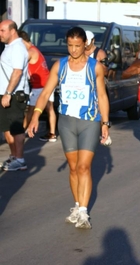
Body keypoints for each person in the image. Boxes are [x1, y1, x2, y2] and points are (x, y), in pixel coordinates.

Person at [27, 27, 110, 229]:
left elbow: (101, 96)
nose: (73, 50)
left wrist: (105, 123)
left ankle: (83, 211)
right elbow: (46, 92)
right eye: (70, 46)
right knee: (73, 167)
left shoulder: (95, 67)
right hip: (66, 122)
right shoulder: (60, 66)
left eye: (78, 46)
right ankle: (76, 205)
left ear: (85, 45)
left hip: (89, 120)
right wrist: (35, 116)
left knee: (83, 167)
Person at [18, 30, 58, 143]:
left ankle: (21, 131)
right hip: (47, 82)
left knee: (31, 109)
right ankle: (52, 133)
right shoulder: (35, 49)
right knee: (49, 108)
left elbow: (19, 64)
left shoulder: (30, 51)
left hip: (40, 85)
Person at [0, 20, 29, 171]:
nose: (0, 34)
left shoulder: (17, 48)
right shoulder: (9, 47)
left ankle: (20, 159)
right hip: (6, 94)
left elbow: (17, 72)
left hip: (14, 94)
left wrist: (8, 93)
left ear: (12, 31)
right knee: (7, 126)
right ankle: (14, 156)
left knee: (16, 127)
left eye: (2, 30)